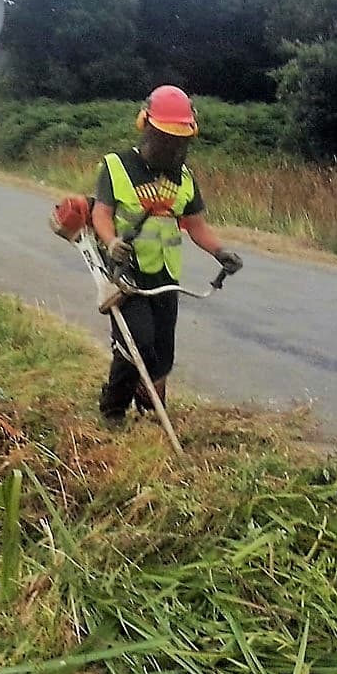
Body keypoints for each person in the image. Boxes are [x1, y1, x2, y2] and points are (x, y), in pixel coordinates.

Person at [91, 85, 243, 423]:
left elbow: (195, 225)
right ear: (145, 125)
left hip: (165, 274)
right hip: (125, 271)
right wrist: (112, 241)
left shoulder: (184, 177)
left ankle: (150, 403)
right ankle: (113, 409)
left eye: (179, 140)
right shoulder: (118, 166)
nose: (172, 146)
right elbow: (100, 213)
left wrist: (221, 252)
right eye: (165, 138)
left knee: (162, 352)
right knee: (137, 341)